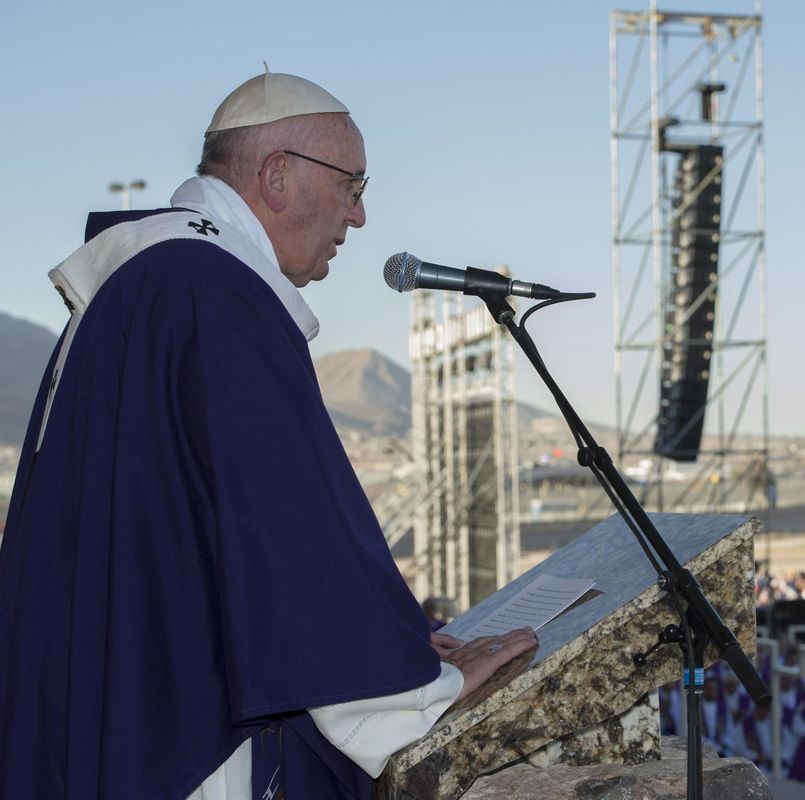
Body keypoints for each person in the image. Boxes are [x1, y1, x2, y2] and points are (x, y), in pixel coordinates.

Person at [0, 71, 537, 799]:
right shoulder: (213, 292)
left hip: (109, 700)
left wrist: (399, 641)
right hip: (182, 727)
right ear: (277, 174)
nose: (361, 215)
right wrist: (408, 689)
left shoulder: (149, 284)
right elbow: (287, 530)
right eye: (352, 184)